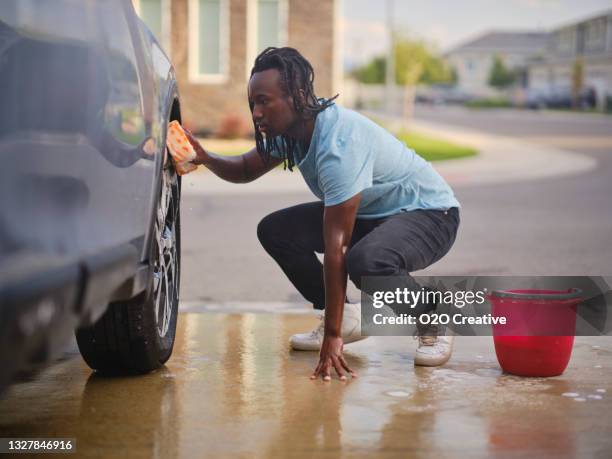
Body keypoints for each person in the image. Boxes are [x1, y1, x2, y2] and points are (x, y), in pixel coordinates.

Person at [183, 47, 460, 381]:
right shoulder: (291, 132)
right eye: (252, 103)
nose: (256, 113)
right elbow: (244, 168)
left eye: (264, 101)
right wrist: (205, 157)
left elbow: (337, 248)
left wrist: (332, 337)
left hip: (430, 213)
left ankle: (432, 315)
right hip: (376, 214)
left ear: (297, 97)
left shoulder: (338, 145)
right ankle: (347, 317)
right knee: (276, 231)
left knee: (366, 262)